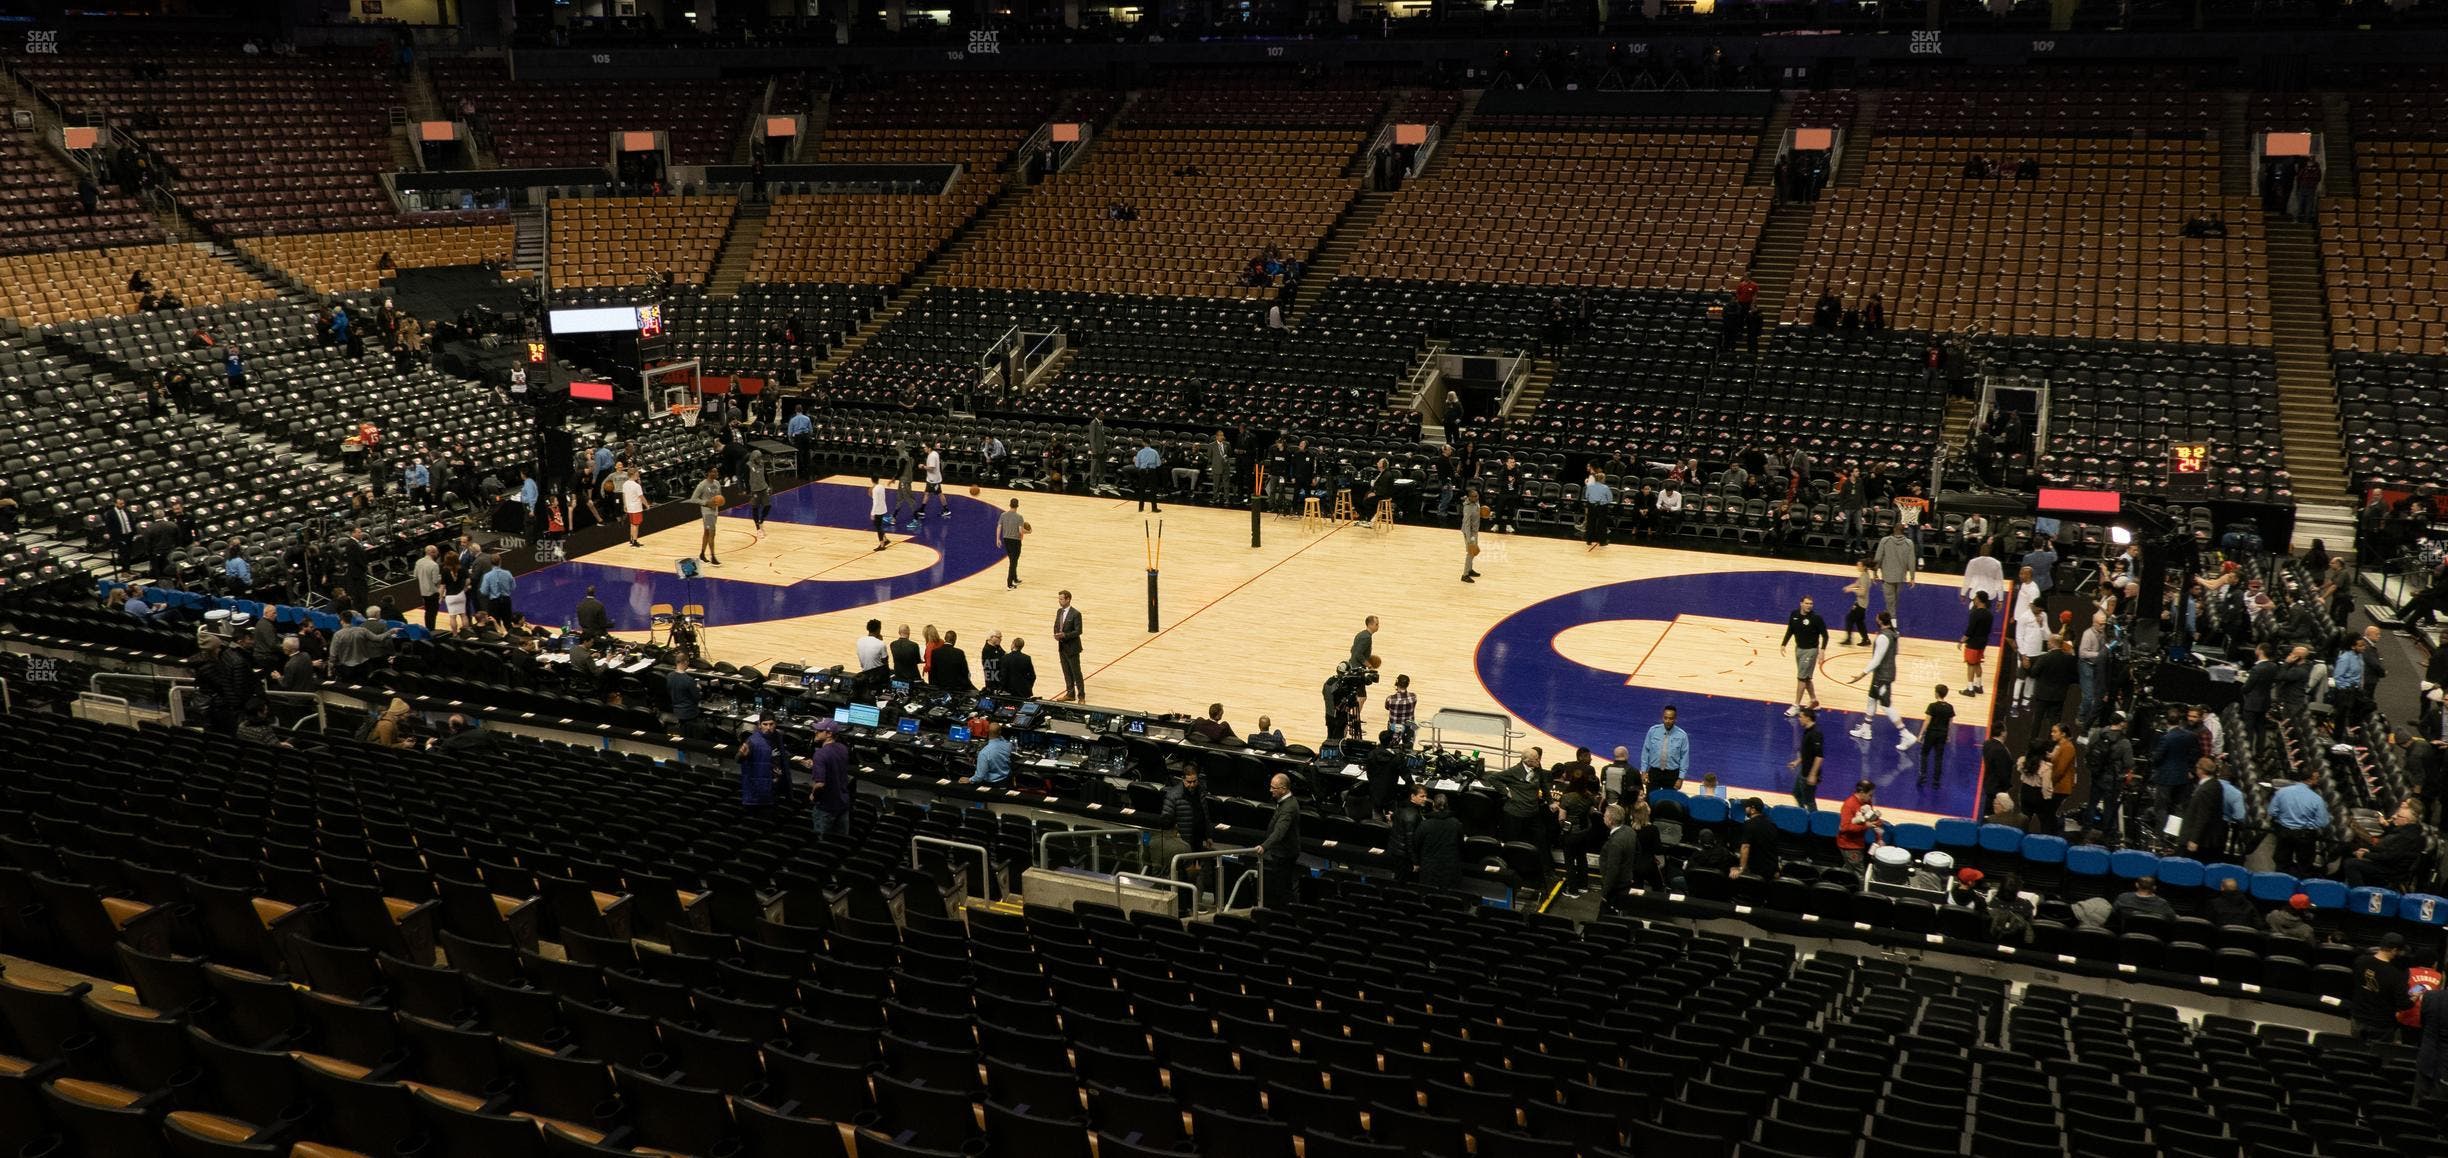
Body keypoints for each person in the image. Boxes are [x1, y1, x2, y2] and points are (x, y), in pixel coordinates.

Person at [1847, 612, 1907, 742]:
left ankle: (1905, 734)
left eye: (1876, 617)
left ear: (1880, 621)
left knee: (1886, 705)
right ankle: (1866, 729)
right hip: (1881, 674)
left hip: (1883, 676)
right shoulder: (1892, 634)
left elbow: (1876, 660)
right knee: (1871, 699)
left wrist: (1861, 675)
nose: (1875, 619)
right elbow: (1895, 652)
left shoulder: (1883, 637)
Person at [2340, 799, 2427, 889]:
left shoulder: (2407, 836)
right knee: (2349, 849)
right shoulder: (2404, 829)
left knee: (2351, 863)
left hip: (2390, 872)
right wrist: (2368, 850)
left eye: (2398, 816)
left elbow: (2388, 857)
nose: (2394, 817)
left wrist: (2366, 855)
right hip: (2387, 863)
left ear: (2406, 820)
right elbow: (2386, 849)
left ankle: (2360, 893)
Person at [1154, 768, 1213, 887]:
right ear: (1183, 779)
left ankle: (1194, 896)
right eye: (1189, 782)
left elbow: (1205, 815)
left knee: (1197, 874)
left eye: (1194, 781)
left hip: (1197, 840)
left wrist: (1208, 835)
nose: (1192, 785)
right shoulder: (1173, 795)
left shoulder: (1200, 791)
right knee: (1183, 875)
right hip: (1182, 841)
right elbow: (1166, 819)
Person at [2269, 766, 2331, 877]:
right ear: (2309, 780)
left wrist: (2283, 820)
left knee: (2282, 863)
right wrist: (2309, 825)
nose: (2318, 781)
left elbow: (2272, 812)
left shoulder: (2282, 792)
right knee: (2304, 867)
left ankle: (2279, 883)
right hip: (2304, 835)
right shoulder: (2316, 799)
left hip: (2284, 832)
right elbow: (2323, 822)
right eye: (2316, 778)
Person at [2352, 934, 2413, 1043]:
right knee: (2377, 1052)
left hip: (2358, 1017)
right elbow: (2403, 1004)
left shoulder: (2360, 961)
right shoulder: (2398, 973)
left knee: (2354, 1049)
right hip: (2382, 1023)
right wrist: (2415, 996)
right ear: (2394, 950)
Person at [1780, 595, 1829, 716]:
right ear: (1801, 603)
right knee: (1806, 677)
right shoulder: (1794, 614)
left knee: (1801, 678)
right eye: (1807, 603)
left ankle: (1796, 705)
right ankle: (1814, 701)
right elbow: (1790, 630)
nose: (1809, 606)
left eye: (1811, 604)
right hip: (1799, 649)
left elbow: (1825, 635)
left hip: (1810, 651)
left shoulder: (1816, 618)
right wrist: (1784, 644)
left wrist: (1822, 650)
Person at [1259, 773, 1301, 906]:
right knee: (1282, 886)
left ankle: (1288, 912)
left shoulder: (1289, 808)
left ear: (1283, 789)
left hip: (1285, 854)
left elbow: (1279, 832)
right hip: (1281, 851)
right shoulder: (1284, 801)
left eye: (1274, 788)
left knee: (1283, 888)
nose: (1270, 790)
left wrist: (1264, 846)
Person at [807, 720, 853, 835]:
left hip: (826, 806)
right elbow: (834, 764)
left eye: (819, 731)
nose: (815, 732)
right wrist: (815, 764)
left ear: (829, 734)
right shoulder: (843, 748)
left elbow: (820, 784)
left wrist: (813, 795)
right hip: (842, 803)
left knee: (822, 842)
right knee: (840, 841)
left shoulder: (820, 754)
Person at [2178, 758, 2229, 861]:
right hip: (2206, 837)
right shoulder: (2215, 784)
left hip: (2201, 840)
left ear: (2200, 770)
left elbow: (2202, 816)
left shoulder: (2206, 790)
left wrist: (2194, 840)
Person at [1416, 795, 1465, 891]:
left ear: (1433, 805)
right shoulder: (1456, 823)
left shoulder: (1425, 824)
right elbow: (1461, 845)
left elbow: (1417, 844)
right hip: (1450, 868)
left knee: (1428, 895)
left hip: (1429, 869)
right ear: (1447, 805)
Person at [1836, 780, 1886, 865]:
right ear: (1862, 793)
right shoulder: (1849, 805)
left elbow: (1871, 819)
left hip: (1859, 842)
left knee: (1852, 868)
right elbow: (1844, 827)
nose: (1871, 797)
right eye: (1870, 795)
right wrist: (1866, 826)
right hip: (1849, 845)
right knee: (1858, 872)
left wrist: (1879, 838)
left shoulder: (1867, 802)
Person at [1640, 706, 1691, 789]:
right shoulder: (1653, 731)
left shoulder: (1682, 735)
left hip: (1672, 774)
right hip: (1654, 772)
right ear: (1662, 717)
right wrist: (1643, 771)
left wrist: (1680, 778)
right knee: (1651, 796)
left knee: (1669, 797)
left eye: (1671, 718)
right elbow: (1646, 751)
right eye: (1665, 718)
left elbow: (1684, 758)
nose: (1667, 721)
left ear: (1675, 719)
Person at [1875, 526, 1916, 626]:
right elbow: (1912, 561)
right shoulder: (1909, 543)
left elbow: (1878, 557)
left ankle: (1893, 625)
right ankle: (1887, 620)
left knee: (1890, 602)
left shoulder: (1885, 541)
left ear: (1893, 530)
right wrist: (1912, 577)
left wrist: (1874, 572)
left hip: (1887, 576)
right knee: (1893, 602)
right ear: (1903, 531)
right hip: (1900, 577)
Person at [1386, 782, 1426, 882]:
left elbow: (1394, 816)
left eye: (1425, 796)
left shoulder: (1403, 806)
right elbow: (1410, 841)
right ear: (1413, 796)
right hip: (1403, 855)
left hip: (1395, 850)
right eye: (1422, 796)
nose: (1425, 799)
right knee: (1403, 881)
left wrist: (1391, 816)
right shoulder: (1411, 815)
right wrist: (1415, 862)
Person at [1916, 686, 1956, 784]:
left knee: (1924, 754)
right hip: (1942, 734)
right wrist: (1947, 735)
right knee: (1939, 757)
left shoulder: (1932, 706)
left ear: (1937, 693)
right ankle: (1936, 780)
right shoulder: (1950, 707)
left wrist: (1921, 734)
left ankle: (1923, 775)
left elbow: (1927, 721)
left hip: (1931, 734)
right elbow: (1950, 723)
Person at [1790, 706, 1825, 811]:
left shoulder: (1815, 733)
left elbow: (1819, 756)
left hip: (1809, 773)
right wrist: (1797, 761)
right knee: (1796, 793)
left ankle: (1813, 818)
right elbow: (1808, 751)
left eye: (1801, 717)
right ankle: (1803, 813)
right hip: (1804, 771)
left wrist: (1812, 775)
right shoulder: (1807, 730)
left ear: (1808, 718)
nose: (1799, 719)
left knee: (1809, 801)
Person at [1054, 590, 1086, 702]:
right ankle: (1070, 694)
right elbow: (1056, 625)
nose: (1059, 601)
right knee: (1066, 672)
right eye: (1059, 599)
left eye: (1061, 599)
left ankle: (1081, 696)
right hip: (1062, 647)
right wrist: (1056, 634)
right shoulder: (1059, 611)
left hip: (1072, 648)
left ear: (1068, 599)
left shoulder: (1076, 614)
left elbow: (1078, 631)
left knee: (1076, 673)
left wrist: (1065, 635)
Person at [1960, 591, 1994, 698]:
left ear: (1979, 599)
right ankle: (1978, 686)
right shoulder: (1989, 614)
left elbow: (1970, 630)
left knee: (1970, 665)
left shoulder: (1975, 613)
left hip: (1973, 643)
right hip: (1983, 642)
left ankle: (1970, 689)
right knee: (1977, 663)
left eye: (1975, 597)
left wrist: (1961, 641)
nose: (1974, 599)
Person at [1736, 797, 1779, 879]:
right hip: (1772, 870)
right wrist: (1776, 870)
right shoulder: (1772, 825)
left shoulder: (1749, 824)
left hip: (1757, 871)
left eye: (1747, 807)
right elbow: (1774, 848)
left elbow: (1745, 847)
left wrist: (1741, 868)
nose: (1745, 809)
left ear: (1753, 810)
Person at [2113, 876, 2179, 926]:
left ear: (2136, 885)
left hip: (2127, 935)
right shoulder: (2162, 904)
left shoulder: (2123, 898)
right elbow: (2173, 920)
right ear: (2154, 887)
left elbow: (2114, 913)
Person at [667, 654, 704, 740]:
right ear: (686, 662)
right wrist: (698, 689)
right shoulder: (688, 680)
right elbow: (697, 697)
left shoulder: (669, 676)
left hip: (676, 710)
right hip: (689, 713)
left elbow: (670, 691)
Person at [997, 499, 1029, 589]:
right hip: (1015, 541)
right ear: (1017, 506)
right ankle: (1009, 584)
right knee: (1013, 562)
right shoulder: (1019, 517)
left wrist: (997, 539)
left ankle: (1015, 578)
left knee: (1012, 560)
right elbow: (1020, 531)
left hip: (1006, 540)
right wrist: (1029, 531)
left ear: (1010, 505)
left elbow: (999, 527)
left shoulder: (1003, 515)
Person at [1840, 558, 1873, 645]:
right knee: (1859, 622)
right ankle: (1866, 640)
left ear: (1864, 567)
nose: (1857, 567)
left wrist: (1852, 590)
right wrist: (1848, 587)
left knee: (1849, 618)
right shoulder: (1864, 575)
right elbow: (1857, 583)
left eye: (1859, 565)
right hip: (1862, 603)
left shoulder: (1865, 578)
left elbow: (1862, 593)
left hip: (1861, 604)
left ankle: (1849, 639)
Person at [1582, 469, 1614, 549]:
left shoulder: (1589, 486)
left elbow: (1586, 496)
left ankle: (1589, 540)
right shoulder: (1605, 487)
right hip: (1602, 507)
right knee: (1602, 524)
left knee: (1590, 523)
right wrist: (1604, 502)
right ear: (1602, 479)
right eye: (1604, 478)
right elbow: (1610, 498)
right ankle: (1602, 541)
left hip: (1591, 506)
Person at [619, 466, 646, 549]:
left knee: (632, 524)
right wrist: (647, 504)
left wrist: (625, 505)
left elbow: (624, 495)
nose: (638, 475)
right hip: (636, 507)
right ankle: (635, 541)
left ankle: (631, 539)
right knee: (636, 525)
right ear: (633, 474)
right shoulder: (636, 486)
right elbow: (641, 497)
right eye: (637, 474)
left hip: (629, 507)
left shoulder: (625, 484)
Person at [1459, 486, 1482, 583]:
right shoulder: (1467, 508)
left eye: (1477, 496)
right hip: (1470, 533)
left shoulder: (1476, 502)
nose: (1476, 498)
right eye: (1474, 496)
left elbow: (1477, 514)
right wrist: (1469, 539)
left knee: (1473, 552)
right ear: (1469, 497)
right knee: (1470, 552)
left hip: (1474, 532)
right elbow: (1467, 524)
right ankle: (1465, 575)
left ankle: (1470, 569)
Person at [1133, 441, 1162, 512]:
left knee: (1142, 490)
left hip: (1143, 472)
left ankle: (1140, 508)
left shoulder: (1140, 452)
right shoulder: (1154, 452)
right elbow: (1158, 464)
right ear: (1150, 443)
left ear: (1144, 443)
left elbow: (1137, 465)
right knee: (1153, 490)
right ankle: (1154, 508)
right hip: (1152, 471)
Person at [868, 475, 892, 551]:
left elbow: (875, 502)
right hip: (883, 508)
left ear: (871, 480)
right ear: (878, 479)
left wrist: (872, 513)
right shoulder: (881, 486)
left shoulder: (875, 490)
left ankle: (882, 545)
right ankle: (885, 539)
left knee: (878, 527)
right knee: (878, 525)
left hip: (878, 510)